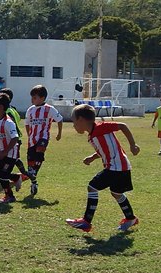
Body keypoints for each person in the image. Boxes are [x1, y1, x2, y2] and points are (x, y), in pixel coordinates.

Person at [65, 104, 140, 232]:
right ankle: (131, 218)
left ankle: (86, 221)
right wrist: (93, 157)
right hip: (120, 167)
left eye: (74, 122)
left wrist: (133, 145)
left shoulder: (101, 127)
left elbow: (123, 126)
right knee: (116, 193)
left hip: (116, 166)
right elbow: (105, 149)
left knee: (92, 187)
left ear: (81, 120)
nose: (73, 125)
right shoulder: (92, 134)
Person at [24, 85, 63, 196]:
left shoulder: (49, 109)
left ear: (42, 98)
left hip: (43, 137)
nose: (32, 100)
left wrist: (59, 133)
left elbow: (60, 120)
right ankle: (34, 182)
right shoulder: (30, 110)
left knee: (40, 152)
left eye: (34, 97)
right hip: (32, 139)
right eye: (32, 97)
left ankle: (32, 174)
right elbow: (27, 124)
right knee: (31, 163)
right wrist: (29, 135)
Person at [0, 88, 30, 185]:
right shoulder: (13, 109)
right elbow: (19, 118)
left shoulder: (7, 111)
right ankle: (22, 174)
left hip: (12, 138)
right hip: (14, 137)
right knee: (15, 158)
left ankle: (20, 175)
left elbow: (10, 123)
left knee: (12, 158)